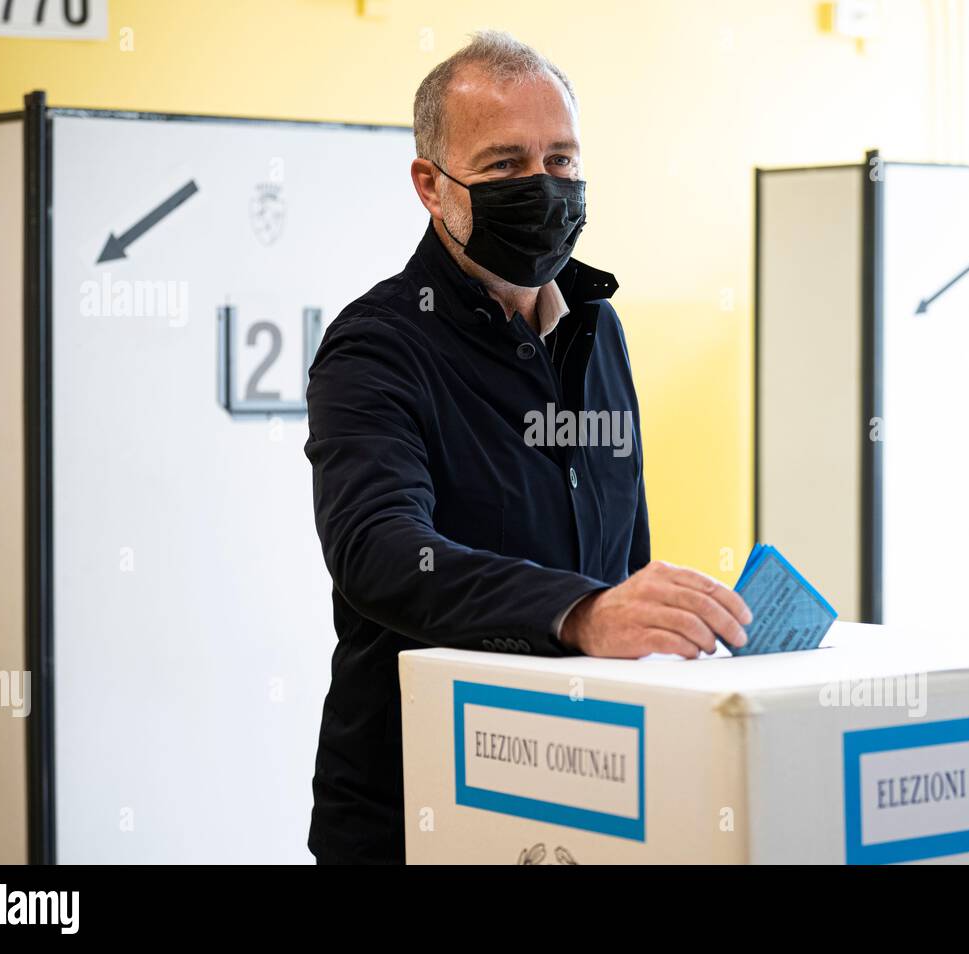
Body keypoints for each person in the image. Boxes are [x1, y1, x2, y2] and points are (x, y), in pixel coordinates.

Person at [303, 30, 751, 865]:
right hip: (421, 810)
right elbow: (379, 550)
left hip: (585, 802)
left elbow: (623, 550)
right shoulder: (377, 347)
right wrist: (576, 614)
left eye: (562, 161)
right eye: (506, 166)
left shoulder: (596, 329)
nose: (543, 189)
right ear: (431, 187)